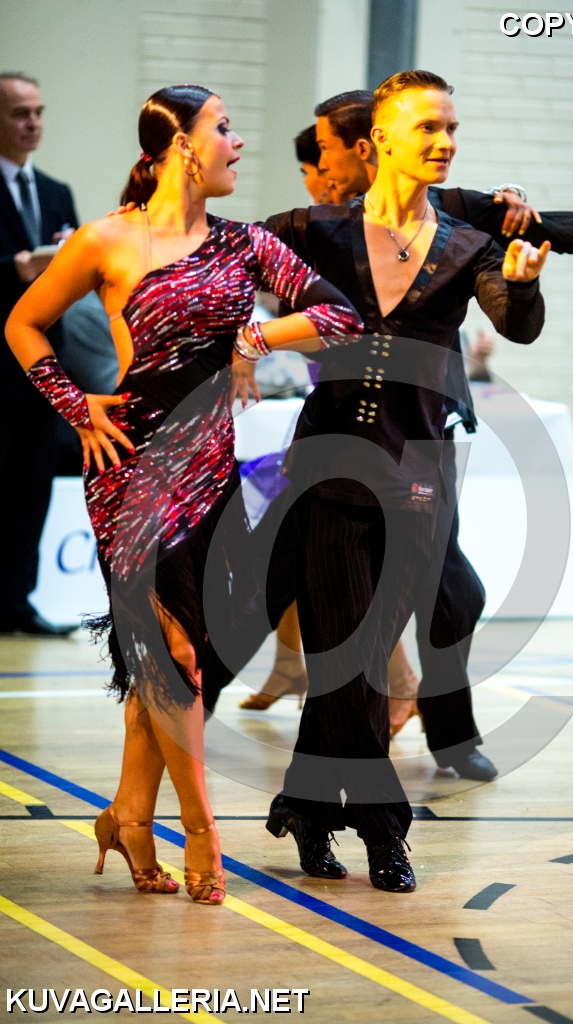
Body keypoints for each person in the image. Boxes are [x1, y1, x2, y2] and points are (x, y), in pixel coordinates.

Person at [239, 85, 573, 782]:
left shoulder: (453, 214)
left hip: (419, 440)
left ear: (365, 144)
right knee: (295, 587)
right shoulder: (321, 226)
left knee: (447, 595)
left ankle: (423, 733)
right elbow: (228, 268)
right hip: (340, 437)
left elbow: (552, 234)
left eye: (323, 150)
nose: (318, 167)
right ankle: (244, 711)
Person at [6, 84, 362, 905]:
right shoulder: (106, 239)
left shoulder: (245, 242)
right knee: (177, 658)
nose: (238, 141)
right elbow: (21, 324)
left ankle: (129, 816)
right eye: (223, 127)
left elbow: (341, 317)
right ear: (180, 147)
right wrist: (76, 405)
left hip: (210, 472)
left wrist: (257, 335)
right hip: (130, 466)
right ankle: (199, 829)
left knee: (171, 656)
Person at [259, 70, 549, 893]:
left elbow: (516, 323)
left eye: (451, 127)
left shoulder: (466, 243)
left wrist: (525, 283)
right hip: (328, 472)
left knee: (352, 667)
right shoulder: (314, 228)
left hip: (417, 479)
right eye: (428, 126)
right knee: (348, 662)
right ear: (379, 138)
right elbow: (218, 266)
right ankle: (387, 831)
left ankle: (307, 805)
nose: (445, 140)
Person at [0, 72, 79, 635]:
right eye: (19, 113)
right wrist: (16, 269)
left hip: (42, 366)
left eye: (38, 112)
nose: (32, 123)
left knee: (31, 490)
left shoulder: (55, 191)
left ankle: (16, 602)